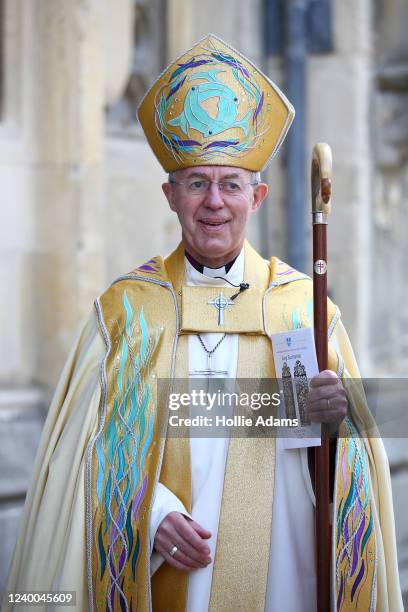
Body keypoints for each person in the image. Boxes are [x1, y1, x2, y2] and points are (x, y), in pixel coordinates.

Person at [3, 34, 403, 612]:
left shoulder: (301, 310)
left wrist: (334, 429)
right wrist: (153, 514)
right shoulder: (126, 315)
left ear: (258, 196)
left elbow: (350, 465)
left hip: (281, 581)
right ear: (171, 196)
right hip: (163, 575)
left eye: (231, 184)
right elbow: (83, 454)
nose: (214, 202)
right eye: (197, 183)